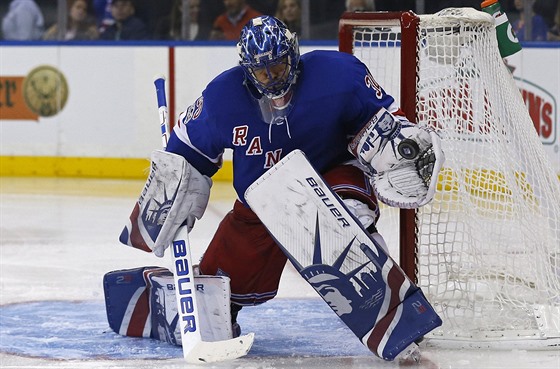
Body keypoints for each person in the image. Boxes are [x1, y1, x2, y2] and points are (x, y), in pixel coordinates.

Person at [126, 15, 442, 336]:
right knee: (225, 280)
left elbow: (381, 122)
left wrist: (400, 147)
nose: (272, 79)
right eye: (262, 72)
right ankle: (194, 307)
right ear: (247, 70)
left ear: (293, 56)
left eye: (277, 67)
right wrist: (169, 191)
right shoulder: (223, 97)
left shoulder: (338, 76)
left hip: (330, 175)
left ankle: (387, 302)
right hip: (261, 198)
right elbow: (188, 150)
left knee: (347, 218)